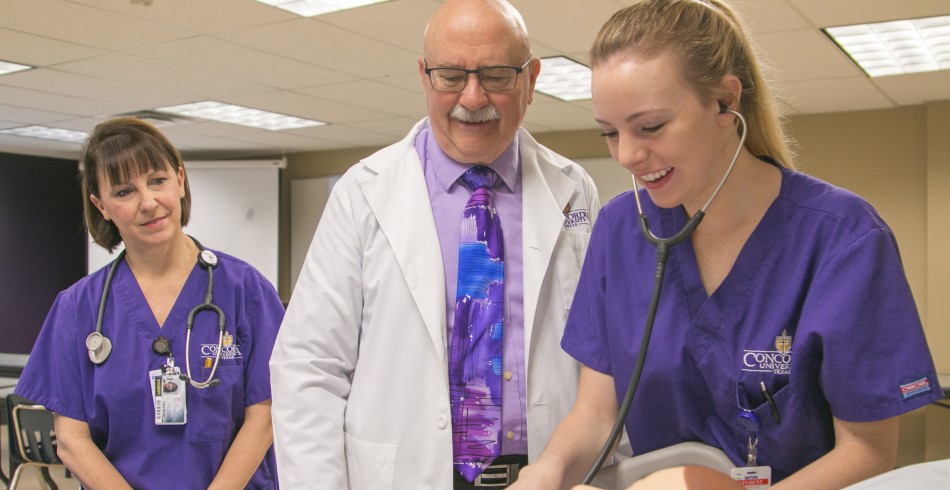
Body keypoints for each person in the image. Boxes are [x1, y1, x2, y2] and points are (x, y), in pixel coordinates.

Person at [511, 0, 943, 489]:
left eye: (650, 126)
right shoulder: (618, 230)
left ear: (724, 102)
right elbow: (594, 415)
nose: (628, 154)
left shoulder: (845, 238)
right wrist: (545, 471)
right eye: (610, 133)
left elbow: (867, 451)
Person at [268, 0, 600, 488]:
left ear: (530, 80)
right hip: (408, 473)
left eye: (496, 75)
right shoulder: (363, 194)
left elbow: (603, 356)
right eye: (450, 75)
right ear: (424, 77)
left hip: (546, 473)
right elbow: (310, 368)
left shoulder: (575, 191)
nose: (472, 96)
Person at [14, 117, 284, 489]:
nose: (148, 202)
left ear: (180, 181)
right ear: (101, 205)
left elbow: (265, 415)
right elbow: (73, 441)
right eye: (124, 191)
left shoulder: (245, 290)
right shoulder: (77, 309)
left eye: (157, 181)